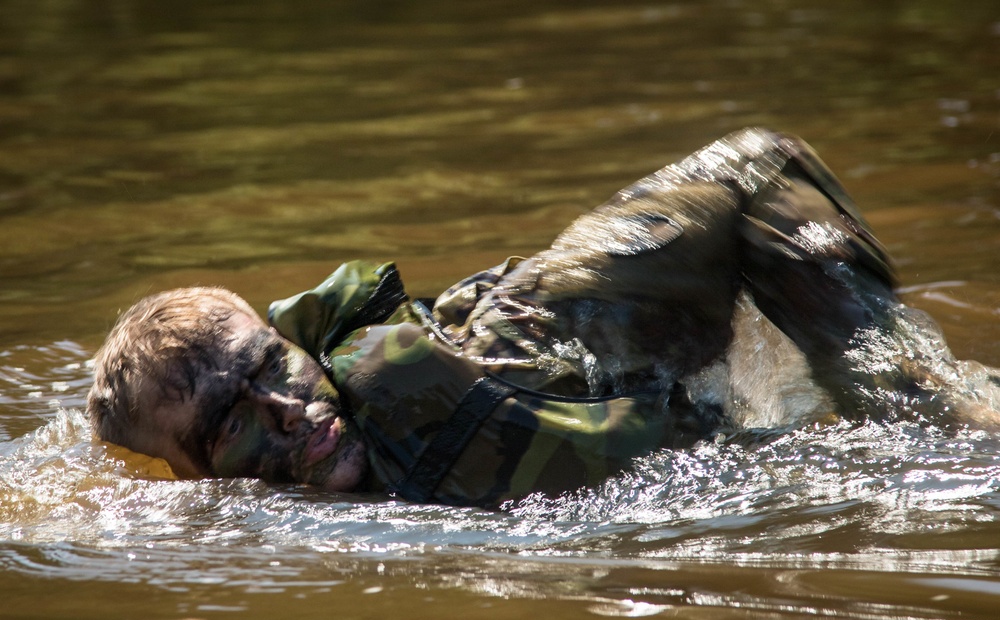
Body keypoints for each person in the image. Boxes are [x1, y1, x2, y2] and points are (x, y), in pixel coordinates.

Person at [87, 128, 1000, 507]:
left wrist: (915, 398)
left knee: (940, 430)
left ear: (298, 344)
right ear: (180, 476)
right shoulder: (231, 517)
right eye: (230, 422)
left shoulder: (475, 356)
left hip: (732, 241)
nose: (287, 414)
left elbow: (748, 174)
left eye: (268, 370)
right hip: (664, 409)